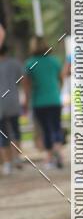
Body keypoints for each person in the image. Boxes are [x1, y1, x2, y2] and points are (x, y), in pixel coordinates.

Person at [23, 37, 65, 169]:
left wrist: (26, 101)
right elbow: (61, 79)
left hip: (39, 101)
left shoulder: (30, 63)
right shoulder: (54, 61)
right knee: (56, 126)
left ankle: (49, 157)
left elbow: (27, 85)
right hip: (54, 100)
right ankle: (58, 150)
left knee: (45, 129)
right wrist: (57, 91)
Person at [0, 42, 24, 175]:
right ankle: (17, 158)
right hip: (13, 100)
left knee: (3, 135)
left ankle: (7, 163)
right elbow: (22, 78)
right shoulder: (14, 63)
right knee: (16, 131)